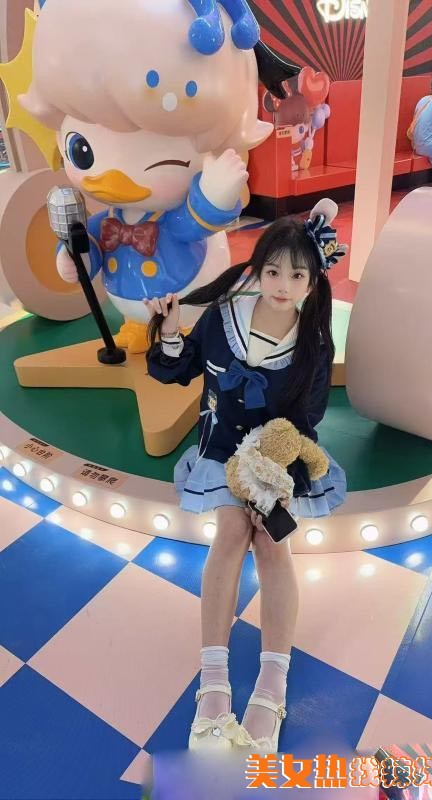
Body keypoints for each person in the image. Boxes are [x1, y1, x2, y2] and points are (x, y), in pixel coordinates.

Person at [145, 199, 348, 753]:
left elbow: (306, 421)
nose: (283, 285)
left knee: (274, 544)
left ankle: (271, 682)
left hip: (277, 459)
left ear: (312, 282)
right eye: (273, 271)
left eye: (297, 275)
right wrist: (170, 331)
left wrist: (272, 484)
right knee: (231, 533)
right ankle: (213, 683)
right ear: (257, 269)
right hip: (220, 450)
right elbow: (176, 369)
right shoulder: (222, 317)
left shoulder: (314, 341)